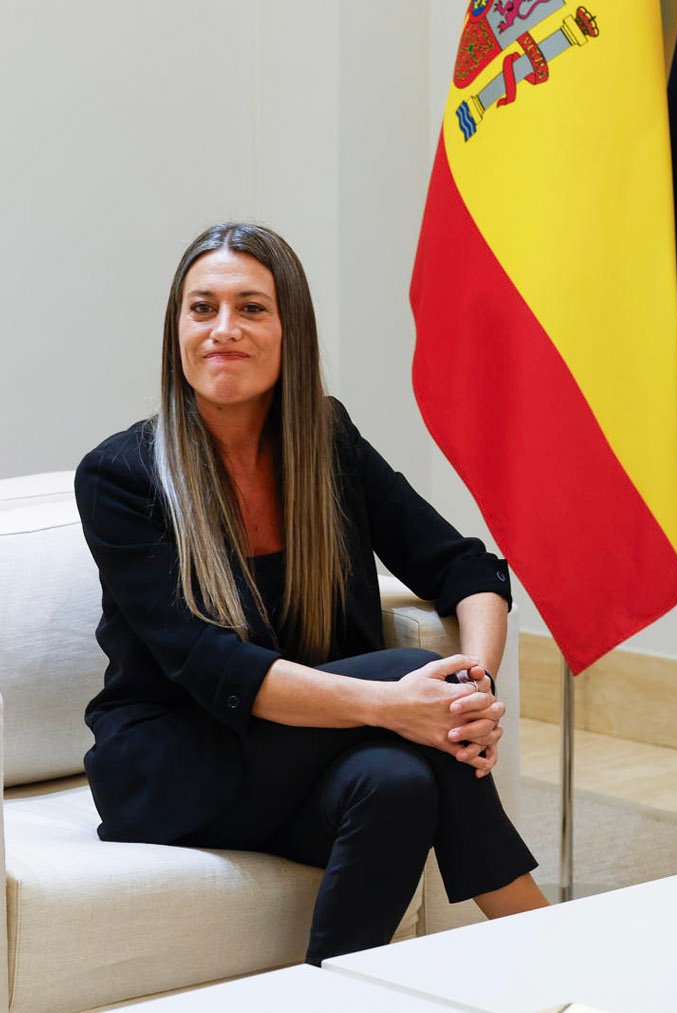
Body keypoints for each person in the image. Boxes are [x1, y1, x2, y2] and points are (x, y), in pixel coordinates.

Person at [76, 222, 546, 965]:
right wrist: (398, 703)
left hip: (306, 760)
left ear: (290, 328)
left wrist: (473, 684)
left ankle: (327, 993)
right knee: (398, 675)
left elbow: (467, 570)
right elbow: (215, 665)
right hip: (170, 765)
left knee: (397, 784)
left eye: (251, 308)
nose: (223, 330)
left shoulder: (326, 439)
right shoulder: (121, 476)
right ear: (177, 331)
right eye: (202, 309)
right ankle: (547, 937)